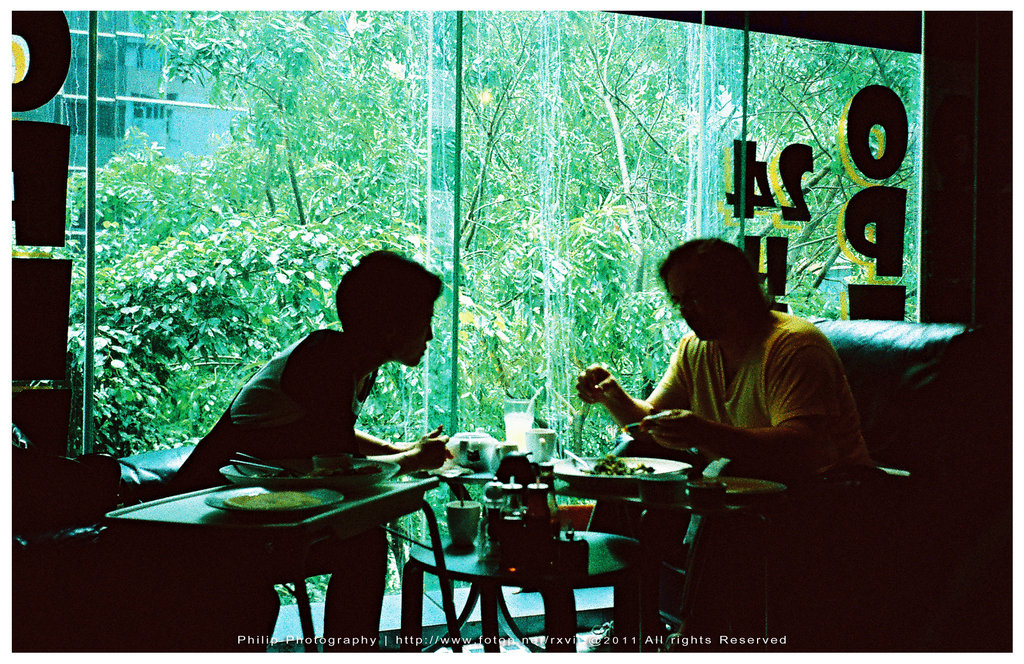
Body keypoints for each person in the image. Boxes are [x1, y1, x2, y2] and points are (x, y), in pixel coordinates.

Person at [576, 237, 874, 648]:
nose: (685, 311)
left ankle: (696, 637)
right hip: (750, 479)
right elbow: (649, 427)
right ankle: (632, 625)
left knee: (723, 489)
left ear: (734, 290)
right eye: (678, 300)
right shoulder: (696, 349)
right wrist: (612, 394)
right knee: (635, 459)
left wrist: (704, 433)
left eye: (695, 297)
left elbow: (802, 446)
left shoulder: (793, 346)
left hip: (830, 489)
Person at [164, 249, 450, 651]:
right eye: (425, 321)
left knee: (365, 545)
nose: (431, 335)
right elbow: (336, 469)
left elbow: (329, 435)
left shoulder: (355, 363)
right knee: (364, 547)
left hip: (261, 510)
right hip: (208, 516)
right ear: (391, 327)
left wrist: (396, 449)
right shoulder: (326, 359)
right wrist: (411, 459)